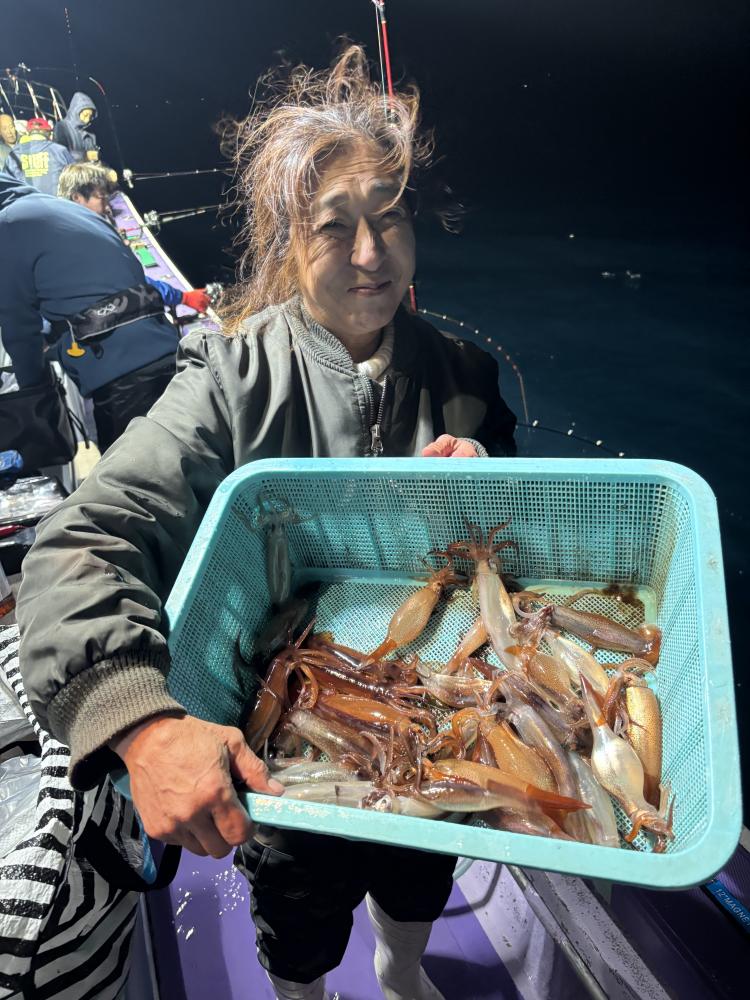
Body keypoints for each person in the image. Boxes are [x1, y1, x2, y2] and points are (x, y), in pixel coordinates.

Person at [15, 46, 516, 1000]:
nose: (371, 253)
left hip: (438, 722)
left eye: (390, 216)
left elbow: (526, 531)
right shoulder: (227, 381)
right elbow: (84, 541)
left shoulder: (464, 374)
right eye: (336, 226)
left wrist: (493, 475)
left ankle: (400, 971)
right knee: (297, 916)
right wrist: (141, 723)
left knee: (420, 877)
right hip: (283, 739)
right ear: (289, 238)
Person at [0, 171, 181, 451]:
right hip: (171, 354)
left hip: (122, 376)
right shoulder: (64, 208)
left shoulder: (7, 225)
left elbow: (19, 326)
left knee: (131, 474)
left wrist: (34, 395)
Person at [57, 162, 212, 314]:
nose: (106, 205)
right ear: (77, 197)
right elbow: (135, 283)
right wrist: (183, 297)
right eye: (101, 197)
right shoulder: (86, 240)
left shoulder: (62, 227)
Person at [3, 117, 75, 195]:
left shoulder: (14, 154)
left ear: (28, 133)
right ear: (48, 133)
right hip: (56, 201)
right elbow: (76, 176)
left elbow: (5, 184)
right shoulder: (59, 150)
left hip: (25, 201)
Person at [53, 91, 100, 162]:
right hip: (71, 168)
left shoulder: (90, 133)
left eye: (90, 116)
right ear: (76, 111)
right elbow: (60, 153)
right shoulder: (62, 126)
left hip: (88, 168)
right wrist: (85, 156)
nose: (87, 120)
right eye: (85, 115)